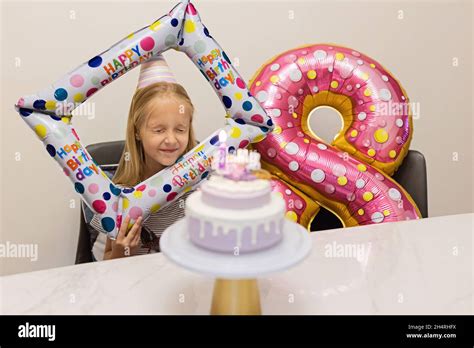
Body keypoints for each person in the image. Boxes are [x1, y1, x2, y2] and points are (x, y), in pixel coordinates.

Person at [84, 54, 198, 261]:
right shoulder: (118, 198)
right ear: (137, 131)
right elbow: (100, 268)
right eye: (158, 130)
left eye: (180, 129)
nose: (171, 140)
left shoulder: (201, 189)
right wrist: (122, 251)